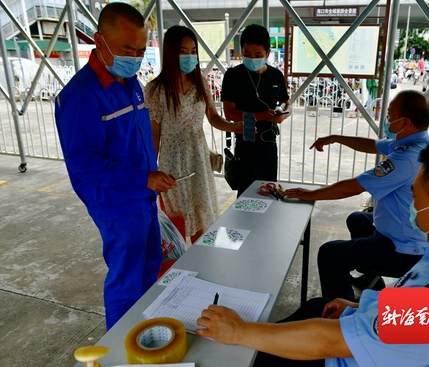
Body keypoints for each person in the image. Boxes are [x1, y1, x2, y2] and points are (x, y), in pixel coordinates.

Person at [197, 138, 429, 366]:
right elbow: (413, 304)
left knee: (248, 353)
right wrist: (361, 304)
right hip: (385, 343)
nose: (413, 209)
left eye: (416, 200)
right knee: (319, 306)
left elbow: (332, 342)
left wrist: (240, 331)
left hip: (348, 357)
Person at [55, 3, 177, 329]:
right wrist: (144, 177)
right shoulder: (81, 96)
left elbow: (135, 140)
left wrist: (151, 176)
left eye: (140, 50)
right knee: (127, 280)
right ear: (99, 41)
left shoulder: (130, 82)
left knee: (150, 268)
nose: (135, 58)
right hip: (117, 202)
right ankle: (122, 350)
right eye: (127, 49)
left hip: (142, 195)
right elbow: (84, 162)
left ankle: (144, 335)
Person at [283, 90, 429, 300]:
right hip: (405, 229)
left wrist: (310, 194)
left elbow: (355, 186)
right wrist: (334, 138)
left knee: (330, 254)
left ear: (405, 122)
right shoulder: (418, 141)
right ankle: (370, 278)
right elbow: (373, 145)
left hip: (404, 248)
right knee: (357, 219)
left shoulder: (407, 159)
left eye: (390, 115)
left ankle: (342, 313)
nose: (387, 120)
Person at [144, 26, 243, 243]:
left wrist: (235, 127)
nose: (189, 56)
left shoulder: (200, 83)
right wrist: (151, 171)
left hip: (199, 161)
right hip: (172, 166)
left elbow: (213, 118)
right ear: (170, 53)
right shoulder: (155, 91)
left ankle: (201, 266)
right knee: (176, 226)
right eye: (182, 51)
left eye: (192, 51)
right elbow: (153, 135)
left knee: (202, 221)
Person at [221, 24, 292, 196]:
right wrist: (261, 116)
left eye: (258, 55)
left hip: (269, 145)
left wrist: (283, 114)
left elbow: (287, 103)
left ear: (267, 53)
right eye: (247, 54)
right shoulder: (233, 76)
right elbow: (229, 112)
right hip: (245, 146)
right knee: (246, 197)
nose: (252, 58)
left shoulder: (275, 76)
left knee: (268, 192)